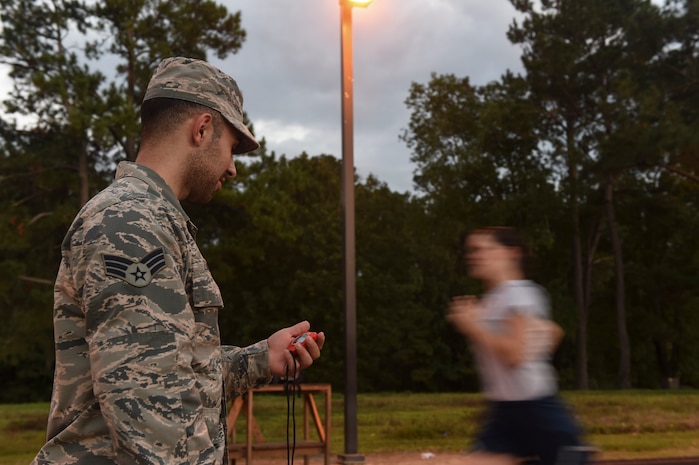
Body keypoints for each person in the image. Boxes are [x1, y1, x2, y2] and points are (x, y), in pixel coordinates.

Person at [32, 57, 325, 465]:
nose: (232, 168)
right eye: (231, 147)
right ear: (202, 129)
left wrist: (261, 359)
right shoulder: (130, 222)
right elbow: (151, 418)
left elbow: (169, 372)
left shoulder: (152, 220)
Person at [447, 226, 585, 465]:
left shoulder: (520, 293)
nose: (474, 256)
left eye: (483, 249)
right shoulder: (493, 301)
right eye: (471, 250)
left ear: (512, 253)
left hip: (537, 412)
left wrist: (473, 327)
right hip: (505, 411)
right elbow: (554, 333)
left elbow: (514, 356)